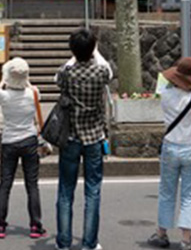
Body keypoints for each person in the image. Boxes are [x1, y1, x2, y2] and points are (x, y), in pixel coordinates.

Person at [147, 57, 191, 250]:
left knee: (167, 192)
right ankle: (186, 239)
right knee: (189, 195)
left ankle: (161, 233)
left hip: (170, 146)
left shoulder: (166, 95)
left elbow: (162, 85)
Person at [55, 28, 111, 250]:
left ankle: (64, 242)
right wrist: (94, 50)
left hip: (70, 137)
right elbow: (107, 69)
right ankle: (89, 243)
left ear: (72, 50)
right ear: (93, 49)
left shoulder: (66, 74)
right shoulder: (101, 74)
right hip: (94, 137)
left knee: (66, 191)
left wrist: (76, 54)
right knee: (93, 191)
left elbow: (58, 76)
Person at [0, 57, 46, 240]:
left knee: (5, 184)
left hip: (9, 141)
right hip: (29, 140)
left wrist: (3, 80)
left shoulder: (3, 95)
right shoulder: (33, 93)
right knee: (32, 185)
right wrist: (25, 81)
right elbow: (31, 89)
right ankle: (35, 225)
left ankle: (0, 225)